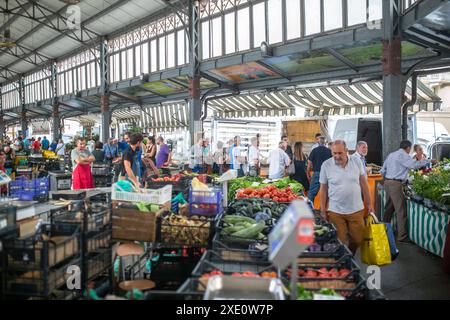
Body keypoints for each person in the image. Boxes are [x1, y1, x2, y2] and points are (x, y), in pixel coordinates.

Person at [319, 140, 374, 255]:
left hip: (356, 209)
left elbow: (364, 183)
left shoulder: (356, 161)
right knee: (340, 241)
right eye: (334, 153)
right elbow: (323, 190)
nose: (337, 156)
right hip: (335, 210)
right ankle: (344, 260)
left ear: (346, 151)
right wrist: (323, 210)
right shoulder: (326, 165)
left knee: (358, 240)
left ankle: (350, 254)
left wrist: (369, 203)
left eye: (340, 153)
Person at [381, 140, 436, 243]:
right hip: (395, 184)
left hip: (387, 182)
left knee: (388, 209)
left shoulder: (391, 155)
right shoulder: (403, 155)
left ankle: (383, 231)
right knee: (400, 210)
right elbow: (414, 165)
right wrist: (428, 161)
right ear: (408, 148)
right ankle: (402, 237)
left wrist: (387, 179)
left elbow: (382, 170)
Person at [307, 136, 332, 203]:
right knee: (326, 192)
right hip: (327, 174)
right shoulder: (329, 151)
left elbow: (309, 163)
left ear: (318, 142)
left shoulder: (314, 150)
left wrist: (308, 173)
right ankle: (323, 209)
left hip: (317, 173)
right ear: (325, 142)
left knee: (312, 192)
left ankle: (309, 208)